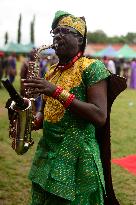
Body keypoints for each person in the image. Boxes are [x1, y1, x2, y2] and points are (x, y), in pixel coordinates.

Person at [23, 11, 127, 205]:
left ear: (79, 39)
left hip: (78, 160)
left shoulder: (91, 67)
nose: (57, 36)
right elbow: (45, 110)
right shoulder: (52, 71)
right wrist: (34, 119)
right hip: (47, 155)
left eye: (64, 31)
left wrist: (56, 91)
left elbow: (99, 115)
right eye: (55, 32)